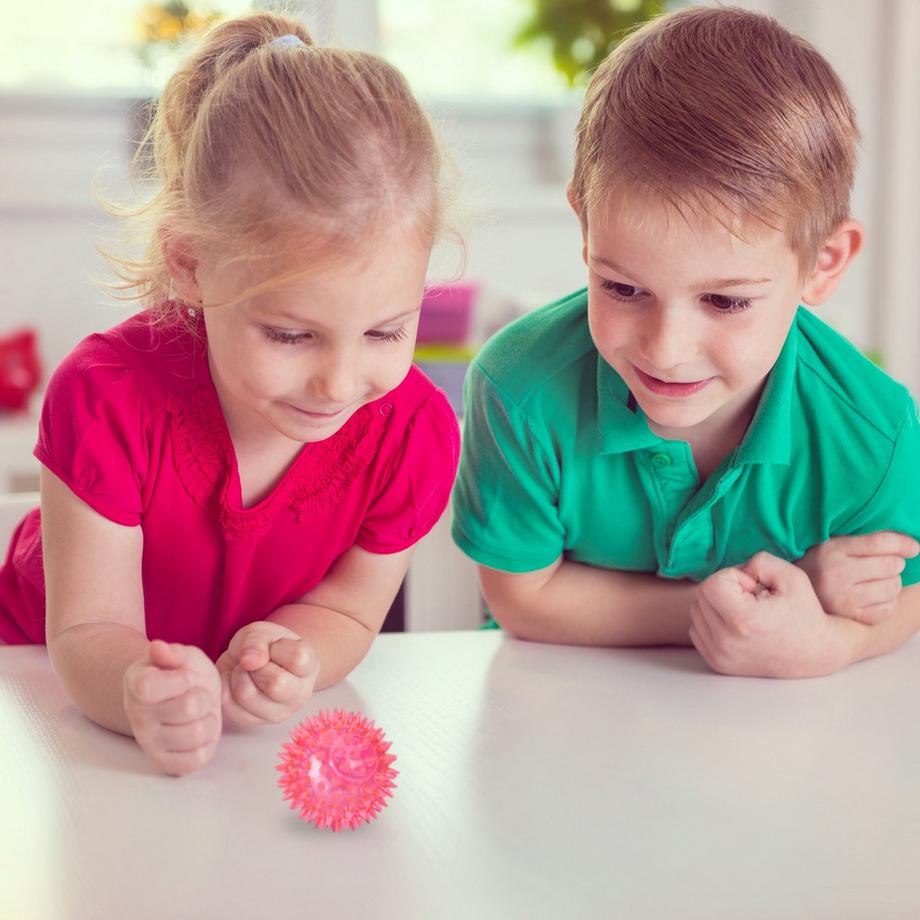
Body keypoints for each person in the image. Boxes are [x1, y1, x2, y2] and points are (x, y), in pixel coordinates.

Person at [0, 11, 460, 774]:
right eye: (290, 334)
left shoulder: (413, 433)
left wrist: (293, 656)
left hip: (232, 752)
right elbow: (86, 630)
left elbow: (348, 608)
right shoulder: (107, 396)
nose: (341, 384)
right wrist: (138, 690)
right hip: (40, 698)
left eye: (386, 331)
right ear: (188, 264)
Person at [451, 5, 920, 679]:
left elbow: (909, 590)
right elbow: (524, 599)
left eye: (725, 301)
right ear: (585, 227)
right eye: (622, 289)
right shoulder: (518, 387)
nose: (665, 350)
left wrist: (832, 642)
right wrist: (782, 596)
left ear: (823, 263)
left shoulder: (874, 431)